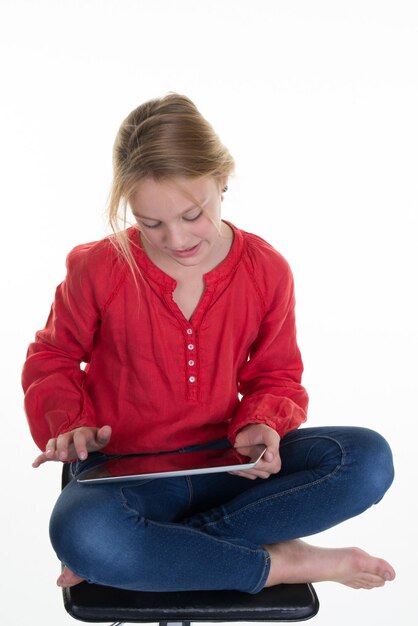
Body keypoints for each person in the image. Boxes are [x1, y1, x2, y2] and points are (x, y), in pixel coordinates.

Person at [22, 93, 395, 594]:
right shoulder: (98, 268)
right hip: (127, 475)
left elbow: (276, 374)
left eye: (192, 215)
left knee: (367, 459)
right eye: (150, 223)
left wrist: (263, 421)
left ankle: (153, 555)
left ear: (222, 180)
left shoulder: (266, 270)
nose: (176, 239)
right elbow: (53, 357)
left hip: (229, 468)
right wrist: (70, 423)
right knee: (84, 532)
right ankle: (280, 562)